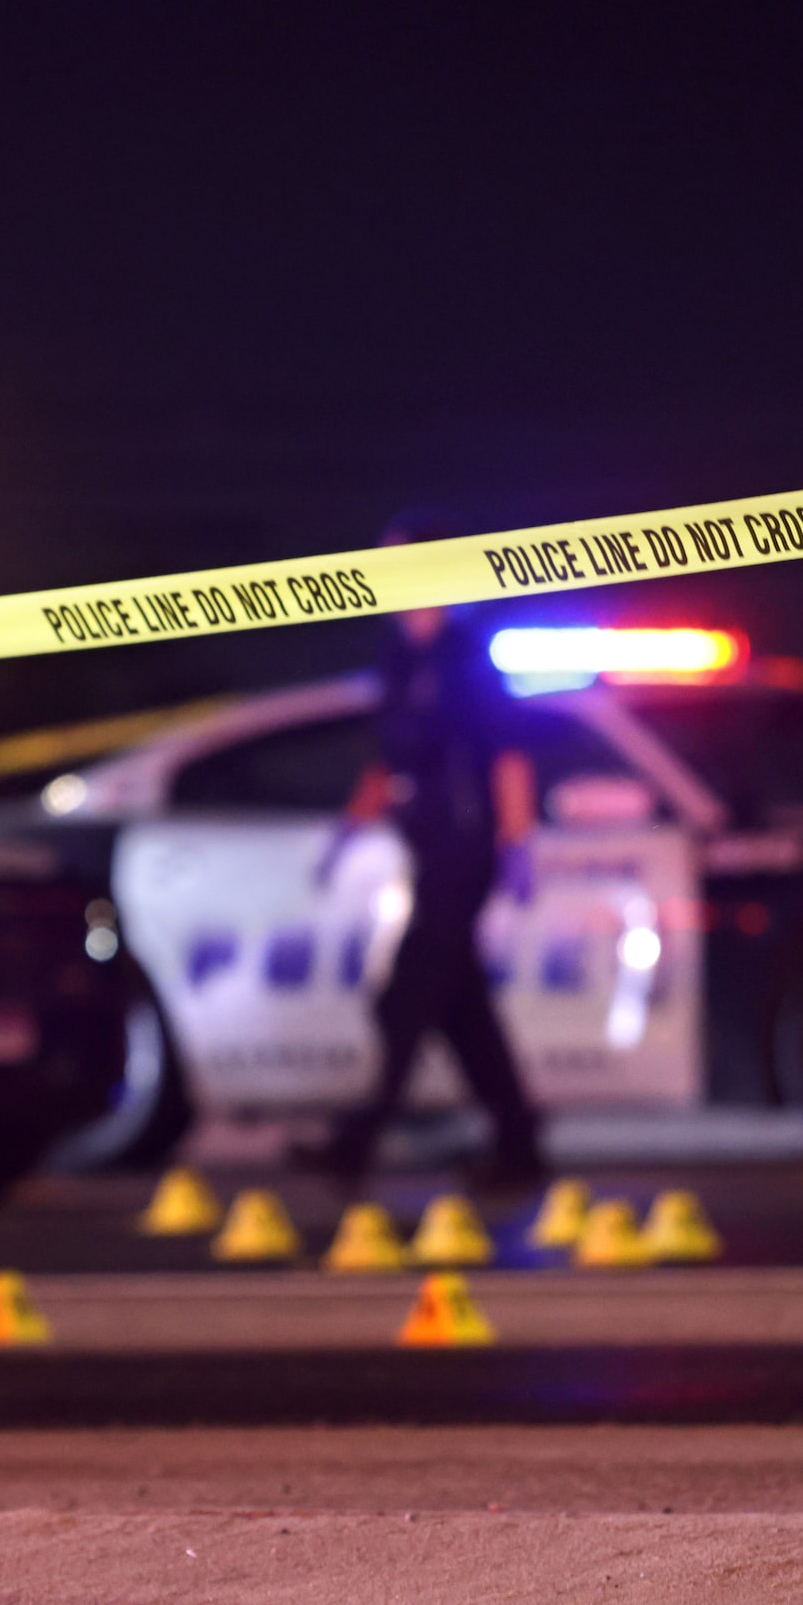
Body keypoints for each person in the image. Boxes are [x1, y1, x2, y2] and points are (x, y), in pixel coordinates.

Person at [307, 510, 545, 1192]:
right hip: (426, 845)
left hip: (464, 849)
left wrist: (517, 842)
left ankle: (356, 1143)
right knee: (459, 1001)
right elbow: (386, 763)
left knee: (406, 998)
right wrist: (346, 833)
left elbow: (507, 756)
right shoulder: (398, 660)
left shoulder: (466, 658)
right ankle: (519, 1143)